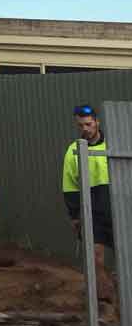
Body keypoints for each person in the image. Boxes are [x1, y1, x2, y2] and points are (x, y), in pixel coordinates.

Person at [63, 103, 116, 305]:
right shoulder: (74, 151)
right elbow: (69, 184)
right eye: (81, 125)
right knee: (95, 255)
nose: (85, 129)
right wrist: (74, 215)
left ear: (97, 122)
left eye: (88, 124)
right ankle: (106, 297)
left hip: (119, 208)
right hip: (93, 211)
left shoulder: (113, 144)